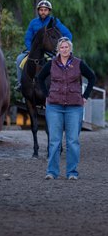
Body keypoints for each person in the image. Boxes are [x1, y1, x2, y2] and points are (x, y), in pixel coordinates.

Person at [38, 37, 96, 180]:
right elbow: (40, 78)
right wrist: (47, 95)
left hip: (74, 107)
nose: (64, 50)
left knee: (72, 141)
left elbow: (92, 77)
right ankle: (52, 172)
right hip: (54, 106)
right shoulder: (51, 64)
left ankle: (72, 173)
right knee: (54, 140)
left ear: (70, 49)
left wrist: (85, 96)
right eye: (62, 47)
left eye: (67, 47)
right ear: (58, 49)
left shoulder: (78, 63)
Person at [15, 0, 72, 91]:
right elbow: (27, 38)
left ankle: (62, 85)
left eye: (45, 10)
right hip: (34, 51)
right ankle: (20, 83)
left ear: (49, 11)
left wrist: (62, 47)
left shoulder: (55, 22)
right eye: (41, 10)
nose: (43, 12)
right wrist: (30, 49)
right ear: (38, 11)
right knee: (19, 59)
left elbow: (68, 35)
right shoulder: (33, 22)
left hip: (51, 51)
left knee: (61, 64)